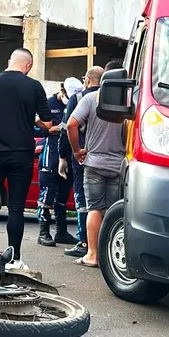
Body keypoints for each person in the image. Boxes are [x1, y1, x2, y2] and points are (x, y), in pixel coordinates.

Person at [0, 48, 53, 265]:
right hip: (21, 155)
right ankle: (14, 258)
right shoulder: (34, 87)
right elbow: (47, 124)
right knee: (16, 206)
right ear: (28, 65)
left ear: (9, 61)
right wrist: (30, 120)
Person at [65, 65, 126, 267]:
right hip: (118, 165)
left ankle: (92, 255)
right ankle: (108, 256)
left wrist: (76, 150)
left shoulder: (91, 99)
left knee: (94, 209)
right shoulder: (128, 101)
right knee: (112, 211)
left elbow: (71, 125)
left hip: (94, 163)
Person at [57, 66, 104, 258]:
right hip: (109, 157)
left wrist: (64, 156)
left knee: (84, 201)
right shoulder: (114, 99)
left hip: (82, 156)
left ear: (87, 80)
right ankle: (101, 245)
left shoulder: (78, 99)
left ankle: (84, 241)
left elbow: (67, 128)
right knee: (103, 203)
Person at [35, 77, 83, 247]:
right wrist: (50, 130)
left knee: (63, 195)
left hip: (68, 154)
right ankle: (43, 232)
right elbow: (34, 128)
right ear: (61, 90)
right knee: (47, 193)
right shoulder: (47, 104)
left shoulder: (76, 102)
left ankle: (61, 232)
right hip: (50, 154)